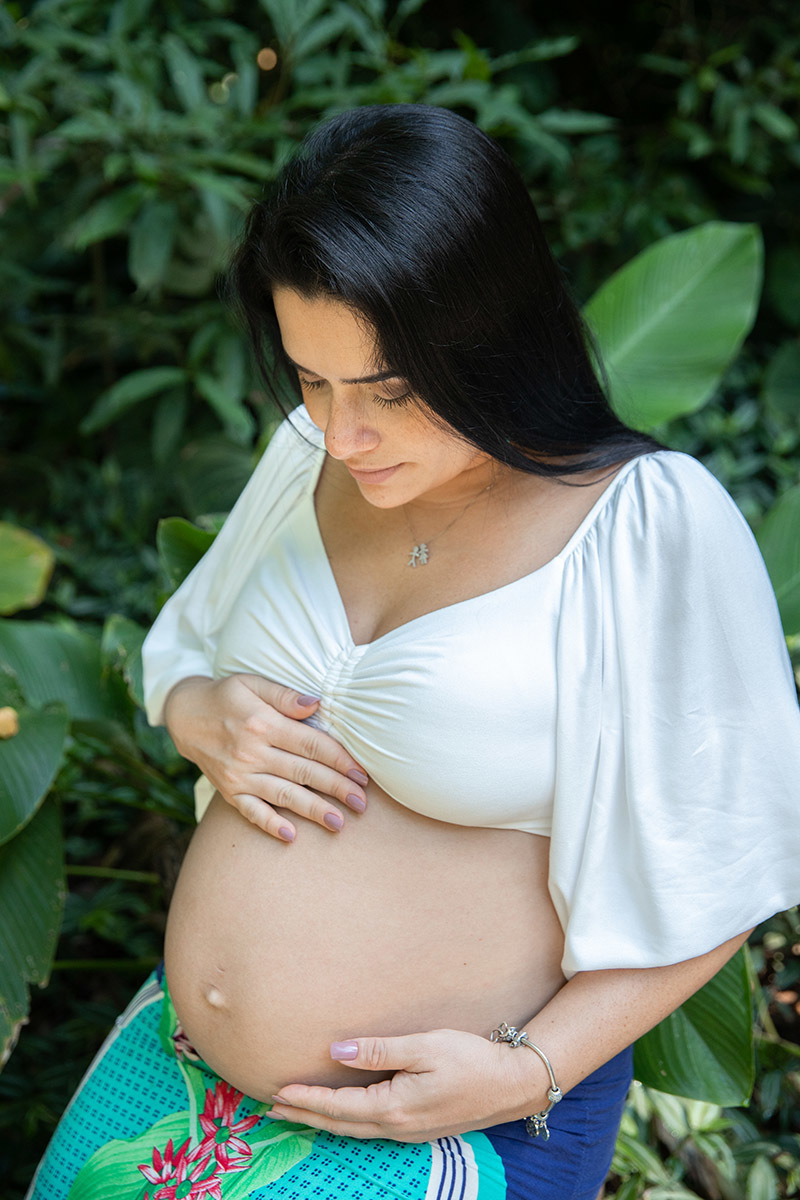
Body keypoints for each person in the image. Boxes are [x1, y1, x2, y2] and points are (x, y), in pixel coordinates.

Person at [28, 104, 800, 1200]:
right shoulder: (305, 461)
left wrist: (525, 1072)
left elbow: (735, 863)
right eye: (311, 378)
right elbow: (183, 660)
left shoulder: (645, 526)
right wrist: (207, 718)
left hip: (451, 1130)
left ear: (496, 337)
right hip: (171, 1081)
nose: (343, 434)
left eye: (387, 389)